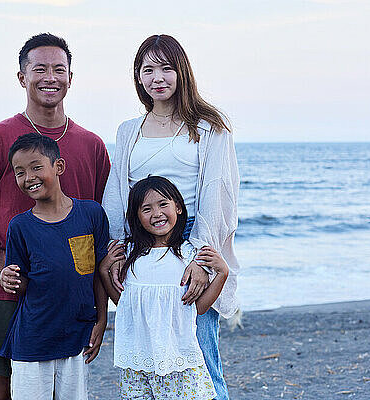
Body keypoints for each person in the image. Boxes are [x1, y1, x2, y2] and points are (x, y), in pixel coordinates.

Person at [0, 33, 110, 400]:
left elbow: (98, 227)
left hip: (70, 291)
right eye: (39, 69)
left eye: (59, 69)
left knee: (68, 381)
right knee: (3, 381)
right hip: (10, 283)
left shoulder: (91, 144)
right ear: (21, 77)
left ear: (70, 79)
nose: (50, 77)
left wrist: (99, 302)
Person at [102, 34, 240, 399]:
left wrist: (201, 256)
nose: (157, 78)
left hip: (191, 237)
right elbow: (118, 193)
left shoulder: (209, 126)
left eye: (166, 68)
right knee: (148, 352)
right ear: (138, 77)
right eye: (148, 70)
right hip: (142, 244)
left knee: (198, 351)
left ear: (182, 71)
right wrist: (115, 250)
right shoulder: (128, 130)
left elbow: (217, 192)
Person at [0, 133, 109, 400]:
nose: (29, 177)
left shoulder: (91, 214)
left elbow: (98, 274)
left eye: (37, 167)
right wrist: (8, 278)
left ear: (58, 167)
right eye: (20, 172)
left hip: (76, 336)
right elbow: (22, 284)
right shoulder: (20, 226)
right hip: (32, 341)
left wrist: (102, 319)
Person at [100, 176, 229, 399]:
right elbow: (124, 305)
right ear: (137, 218)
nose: (156, 213)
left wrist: (222, 273)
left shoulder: (190, 255)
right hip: (136, 362)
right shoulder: (130, 254)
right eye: (146, 209)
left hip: (178, 360)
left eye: (163, 204)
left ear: (178, 207)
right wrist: (104, 271)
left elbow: (197, 309)